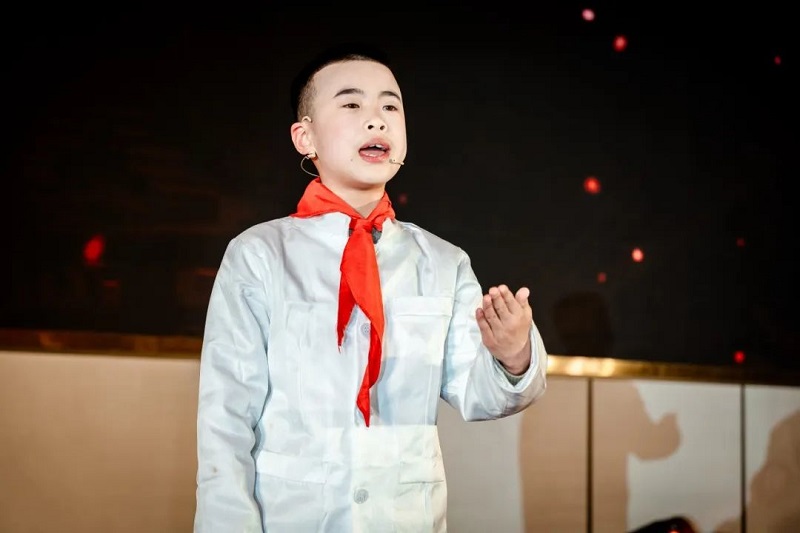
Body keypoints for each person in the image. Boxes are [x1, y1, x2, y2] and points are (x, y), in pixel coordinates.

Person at [193, 42, 548, 532]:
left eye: (390, 107)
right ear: (304, 136)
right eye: (352, 104)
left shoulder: (443, 262)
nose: (377, 120)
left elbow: (480, 395)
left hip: (404, 516)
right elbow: (226, 416)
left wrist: (512, 356)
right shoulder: (260, 254)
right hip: (290, 516)